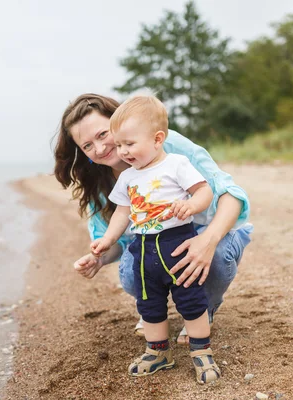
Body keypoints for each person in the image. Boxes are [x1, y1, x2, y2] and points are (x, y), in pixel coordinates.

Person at [52, 93, 252, 344]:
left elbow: (230, 193)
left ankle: (206, 307)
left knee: (219, 254)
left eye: (103, 135)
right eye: (87, 146)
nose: (100, 148)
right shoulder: (100, 181)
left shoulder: (168, 147)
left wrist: (208, 241)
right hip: (153, 247)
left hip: (199, 233)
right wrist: (98, 258)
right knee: (129, 269)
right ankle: (153, 313)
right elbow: (115, 240)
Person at [90, 94, 220, 383]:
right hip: (144, 248)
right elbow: (122, 212)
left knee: (191, 299)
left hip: (176, 243)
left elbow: (204, 191)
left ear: (157, 139)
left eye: (129, 144)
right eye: (119, 144)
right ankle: (158, 351)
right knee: (149, 304)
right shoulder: (127, 178)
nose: (122, 151)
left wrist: (191, 206)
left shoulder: (176, 164)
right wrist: (108, 240)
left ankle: (201, 351)